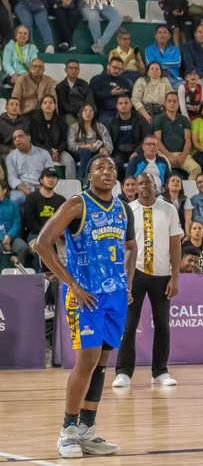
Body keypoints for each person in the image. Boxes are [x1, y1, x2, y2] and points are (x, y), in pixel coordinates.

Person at [32, 156, 131, 458]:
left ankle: (87, 430)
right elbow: (41, 243)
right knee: (86, 361)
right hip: (85, 296)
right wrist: (72, 284)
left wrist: (125, 282)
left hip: (114, 296)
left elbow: (125, 250)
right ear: (88, 177)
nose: (106, 171)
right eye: (100, 168)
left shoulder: (124, 208)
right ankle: (67, 430)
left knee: (101, 363)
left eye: (111, 168)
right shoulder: (77, 204)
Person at [113, 174, 183, 388]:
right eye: (139, 183)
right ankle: (123, 372)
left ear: (155, 186)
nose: (143, 187)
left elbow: (175, 245)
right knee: (129, 324)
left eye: (147, 183)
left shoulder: (169, 209)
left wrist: (175, 276)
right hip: (135, 274)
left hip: (162, 275)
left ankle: (160, 371)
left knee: (163, 324)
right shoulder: (127, 210)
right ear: (134, 187)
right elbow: (121, 245)